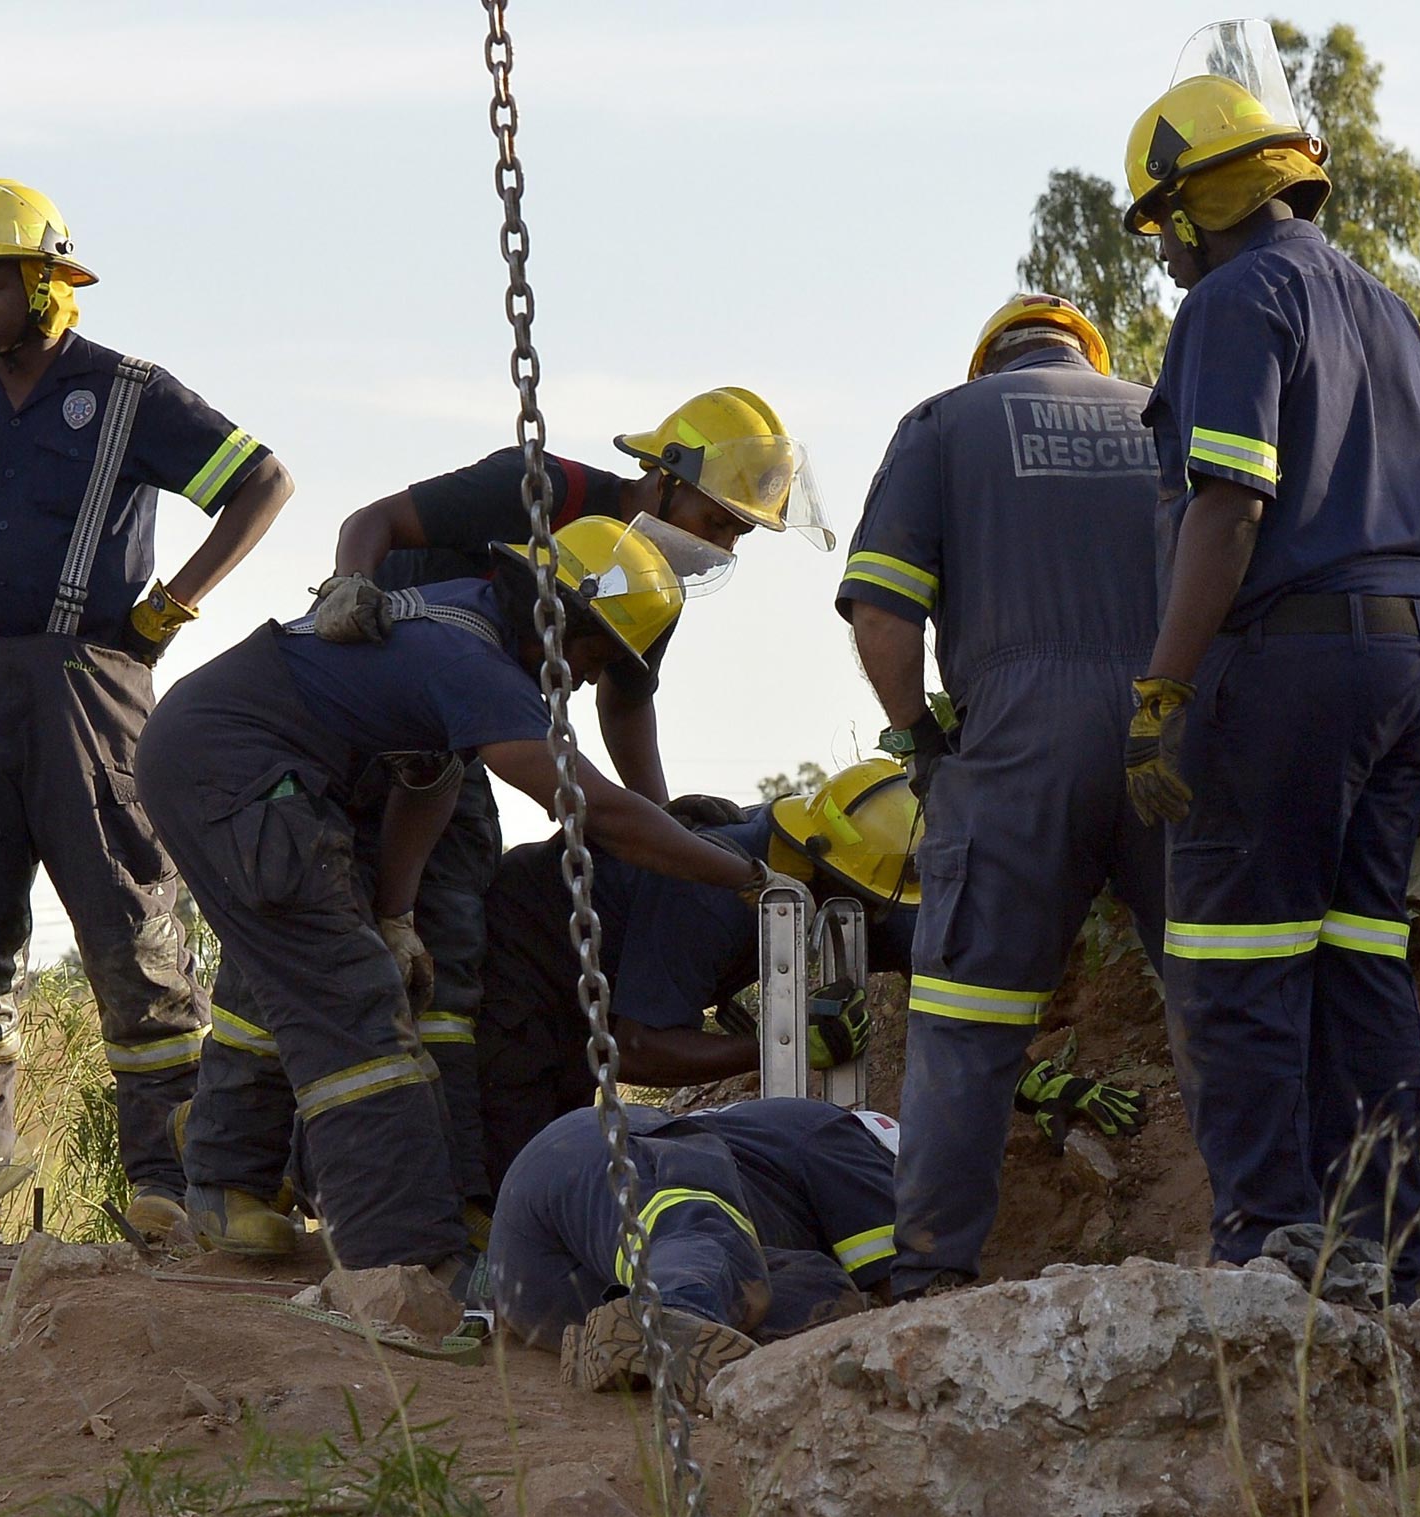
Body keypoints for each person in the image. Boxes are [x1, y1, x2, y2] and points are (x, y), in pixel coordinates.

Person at [138, 519, 765, 1270]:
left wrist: (397, 914)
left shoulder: (460, 625)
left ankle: (228, 1166)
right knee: (352, 1007)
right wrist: (746, 875)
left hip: (241, 764)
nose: (592, 680)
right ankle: (405, 1261)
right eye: (599, 659)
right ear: (565, 620)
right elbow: (593, 807)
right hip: (232, 771)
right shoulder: (473, 661)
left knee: (339, 975)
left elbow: (427, 780)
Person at [0, 179, 292, 1235]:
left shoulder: (131, 393)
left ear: (49, 284)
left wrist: (173, 605)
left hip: (89, 692)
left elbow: (264, 482)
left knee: (129, 934)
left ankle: (170, 1188)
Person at [306, 390, 829, 1225]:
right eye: (719, 520)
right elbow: (376, 521)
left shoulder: (650, 585)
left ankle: (443, 1195)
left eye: (738, 535)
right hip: (370, 694)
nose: (722, 545)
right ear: (663, 481)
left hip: (456, 744)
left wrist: (658, 830)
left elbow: (626, 704)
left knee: (446, 936)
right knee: (320, 923)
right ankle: (259, 1169)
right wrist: (348, 592)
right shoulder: (543, 491)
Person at [1118, 21, 1420, 1298]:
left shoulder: (1233, 299)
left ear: (1197, 203)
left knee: (1237, 966)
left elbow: (1227, 505)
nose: (1164, 253)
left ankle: (1265, 1243)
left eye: (1163, 225)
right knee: (1361, 964)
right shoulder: (1386, 308)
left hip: (1290, 672)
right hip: (1407, 663)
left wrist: (1163, 684)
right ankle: (1376, 1248)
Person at [837, 291, 1162, 1302]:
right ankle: (1269, 1247)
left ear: (990, 364)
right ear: (1088, 355)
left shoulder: (944, 423)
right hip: (1177, 730)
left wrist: (921, 739)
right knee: (1224, 997)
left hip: (1018, 735)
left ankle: (932, 1277)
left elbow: (883, 615)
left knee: (967, 1019)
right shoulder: (1168, 411)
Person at [476, 758, 917, 1184]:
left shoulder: (842, 860)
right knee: (526, 1167)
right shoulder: (712, 896)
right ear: (829, 874)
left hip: (595, 969)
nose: (877, 919)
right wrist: (782, 1044)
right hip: (521, 959)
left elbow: (920, 950)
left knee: (566, 1155)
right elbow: (634, 1049)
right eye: (871, 904)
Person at [492, 1097, 899, 1411]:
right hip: (606, 1157)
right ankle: (679, 1306)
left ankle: (643, 1332)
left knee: (814, 1286)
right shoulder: (842, 1133)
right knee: (707, 1229)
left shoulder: (768, 1157)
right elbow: (903, 1281)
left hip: (542, 1289)